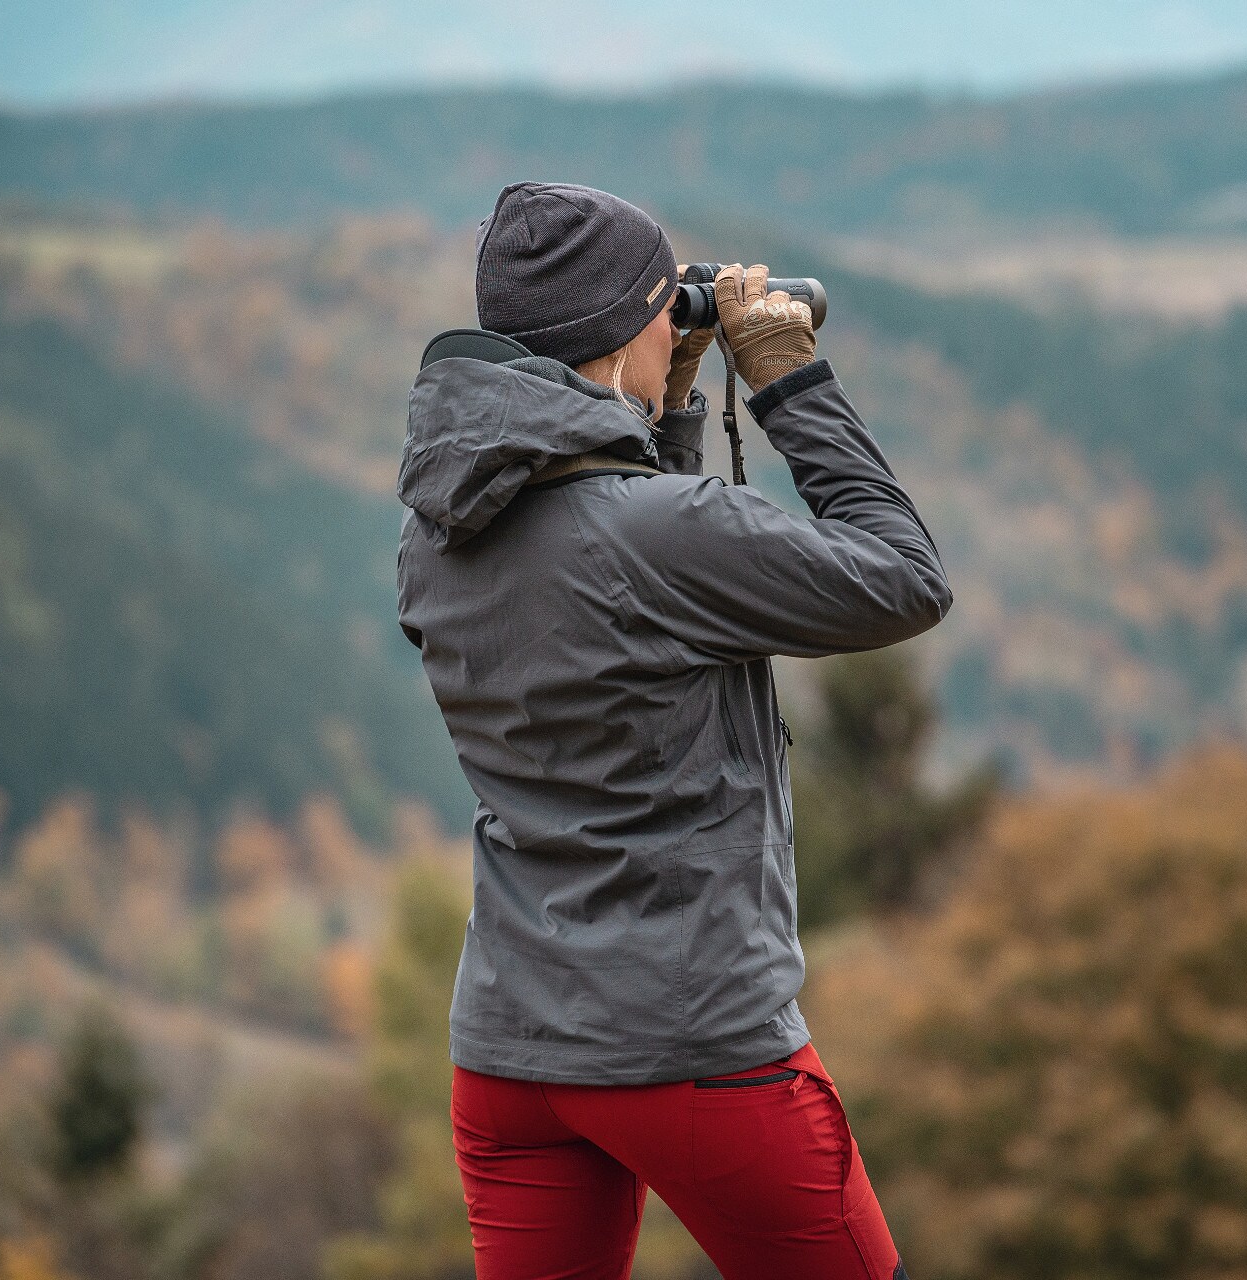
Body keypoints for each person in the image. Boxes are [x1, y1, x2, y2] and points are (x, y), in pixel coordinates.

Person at [396, 180, 950, 1280]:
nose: (674, 322)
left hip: (511, 1054)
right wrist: (791, 381)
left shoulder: (434, 531)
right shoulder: (658, 532)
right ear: (620, 328)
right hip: (693, 1046)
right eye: (665, 305)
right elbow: (903, 580)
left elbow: (632, 615)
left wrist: (661, 417)